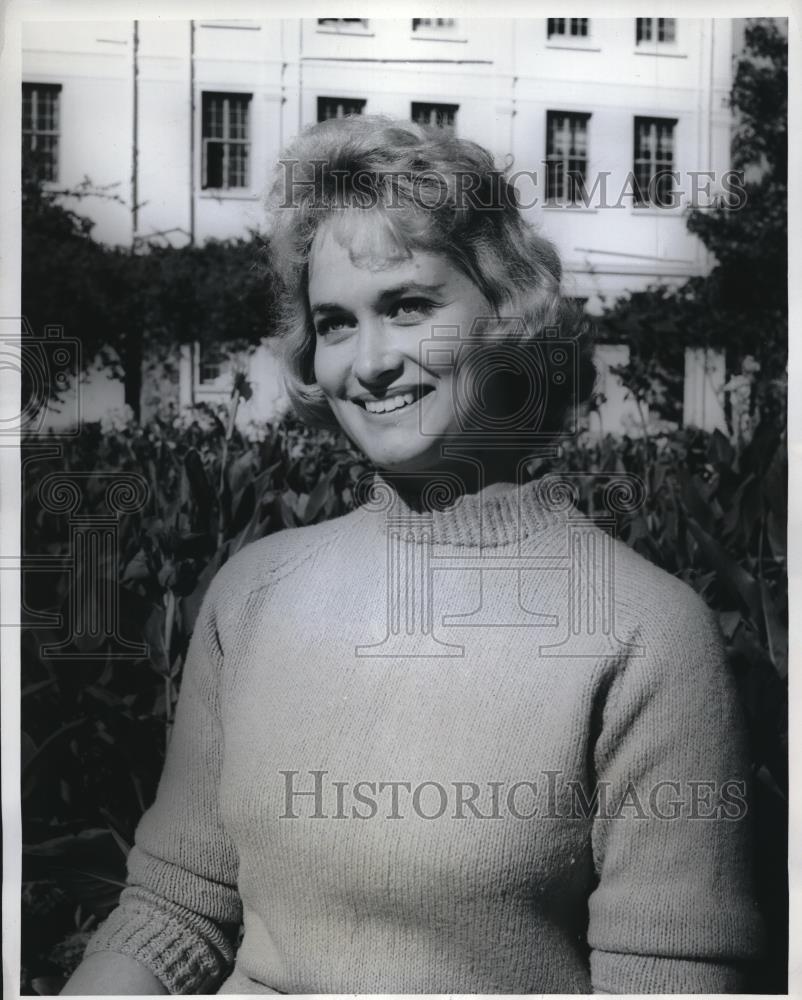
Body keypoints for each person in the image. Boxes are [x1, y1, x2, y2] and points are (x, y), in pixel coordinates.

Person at [63, 116, 764, 995]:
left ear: (506, 312)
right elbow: (174, 908)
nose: (372, 362)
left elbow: (672, 976)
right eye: (336, 323)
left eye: (407, 306)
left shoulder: (649, 636)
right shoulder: (254, 593)